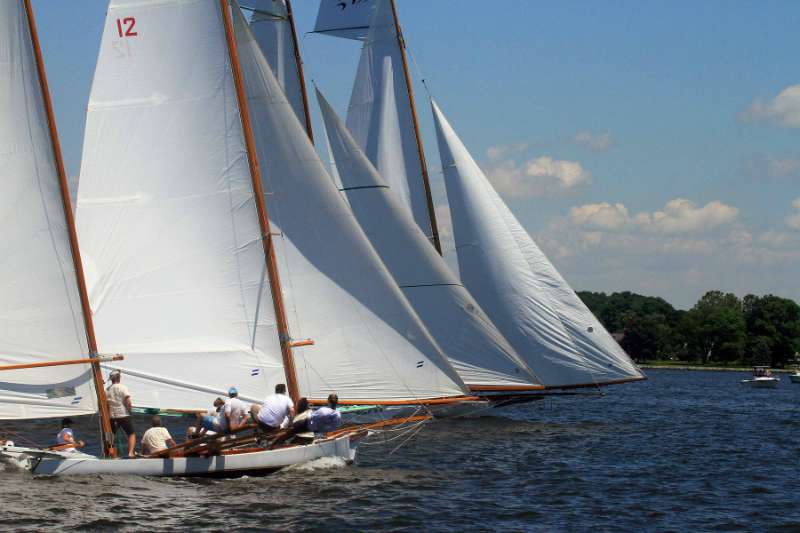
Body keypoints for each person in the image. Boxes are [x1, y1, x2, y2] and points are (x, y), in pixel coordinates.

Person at [106, 369, 136, 457]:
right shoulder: (122, 387)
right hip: (123, 414)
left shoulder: (107, 389)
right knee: (131, 434)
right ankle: (130, 453)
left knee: (111, 436)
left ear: (111, 379)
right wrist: (130, 411)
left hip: (112, 416)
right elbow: (128, 401)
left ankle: (110, 454)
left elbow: (106, 404)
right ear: (119, 377)